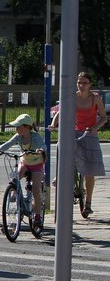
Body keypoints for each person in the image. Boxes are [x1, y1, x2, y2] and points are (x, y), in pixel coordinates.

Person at [49, 71, 106, 216]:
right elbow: (60, 112)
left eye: (85, 83)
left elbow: (103, 118)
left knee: (89, 171)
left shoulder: (96, 99)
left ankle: (88, 203)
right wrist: (53, 124)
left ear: (90, 84)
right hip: (74, 132)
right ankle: (60, 175)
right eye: (79, 82)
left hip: (89, 134)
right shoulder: (72, 97)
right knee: (62, 148)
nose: (81, 85)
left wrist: (94, 128)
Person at [0, 114, 47, 225]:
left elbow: (43, 146)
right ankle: (14, 192)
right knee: (15, 176)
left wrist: (41, 150)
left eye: (18, 126)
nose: (16, 129)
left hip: (36, 165)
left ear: (26, 127)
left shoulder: (35, 136)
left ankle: (37, 216)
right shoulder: (18, 136)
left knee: (36, 189)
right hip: (25, 163)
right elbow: (8, 143)